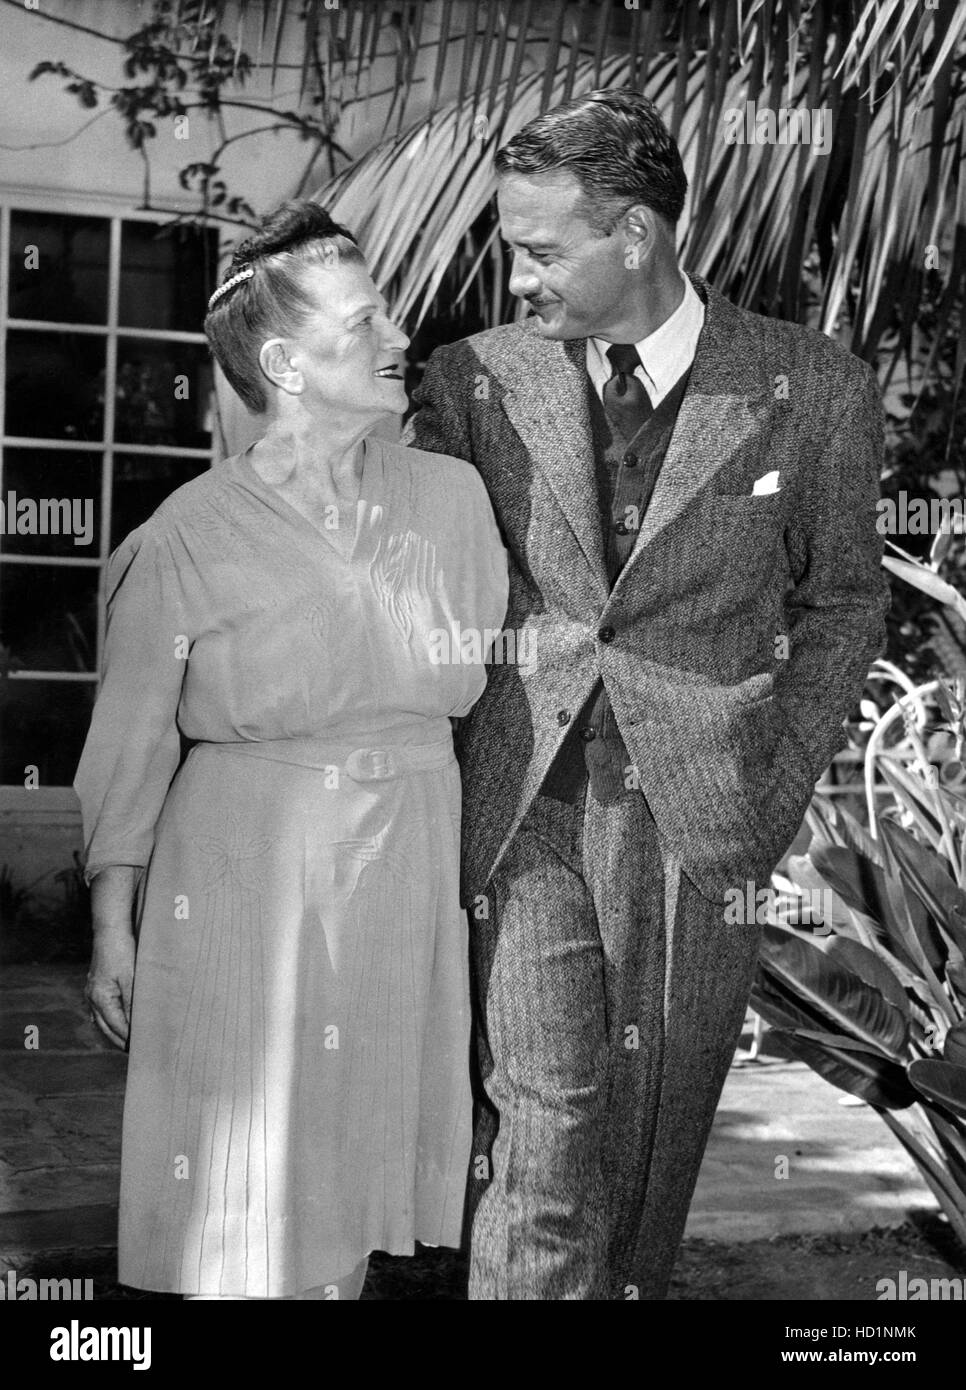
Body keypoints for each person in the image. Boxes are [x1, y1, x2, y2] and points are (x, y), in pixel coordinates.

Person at [404, 88, 891, 1300]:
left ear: (636, 236)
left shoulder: (811, 385)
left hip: (701, 827)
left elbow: (844, 604)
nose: (516, 275)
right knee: (544, 1143)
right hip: (526, 816)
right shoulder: (473, 381)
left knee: (652, 1160)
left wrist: (767, 795)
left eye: (540, 248)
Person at [76, 201, 508, 1301]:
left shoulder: (455, 500)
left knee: (354, 1175)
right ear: (287, 362)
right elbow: (128, 741)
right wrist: (112, 921)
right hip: (244, 873)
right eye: (366, 323)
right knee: (250, 1175)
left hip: (407, 853)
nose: (401, 337)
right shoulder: (182, 537)